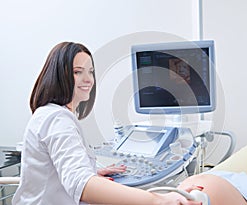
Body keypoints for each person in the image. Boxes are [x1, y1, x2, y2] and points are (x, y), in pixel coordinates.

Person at [12, 42, 201, 205]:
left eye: (91, 72)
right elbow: (80, 184)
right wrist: (156, 200)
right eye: (78, 72)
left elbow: (62, 169)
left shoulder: (51, 114)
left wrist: (92, 170)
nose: (88, 79)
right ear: (58, 75)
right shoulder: (57, 119)